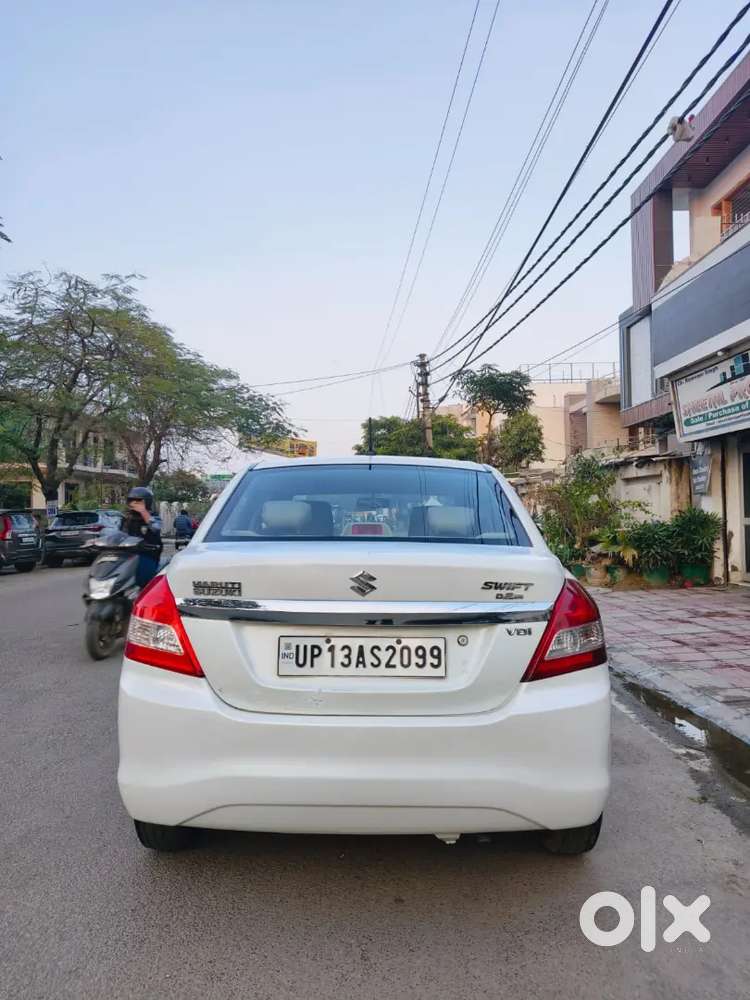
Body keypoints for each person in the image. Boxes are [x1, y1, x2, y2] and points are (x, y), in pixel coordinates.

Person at [123, 486, 163, 588]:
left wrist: (143, 512)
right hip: (128, 556)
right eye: (133, 501)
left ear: (146, 502)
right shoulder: (126, 518)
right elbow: (115, 533)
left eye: (139, 501)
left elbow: (156, 527)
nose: (135, 504)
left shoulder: (154, 517)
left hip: (147, 555)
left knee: (145, 583)